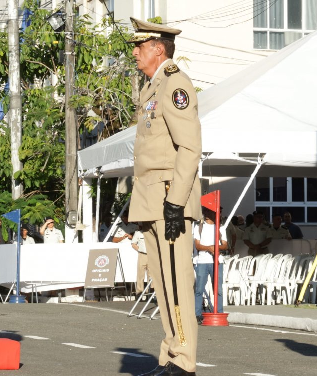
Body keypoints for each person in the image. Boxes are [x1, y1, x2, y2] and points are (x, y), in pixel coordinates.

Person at [127, 17, 202, 376]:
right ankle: (171, 353)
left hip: (169, 197)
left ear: (159, 49)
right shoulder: (151, 88)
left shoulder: (174, 84)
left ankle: (184, 359)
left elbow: (190, 147)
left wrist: (176, 202)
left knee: (176, 280)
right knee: (162, 281)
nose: (135, 53)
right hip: (151, 198)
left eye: (140, 47)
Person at [193, 207, 227, 324]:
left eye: (209, 211)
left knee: (218, 289)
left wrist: (215, 247)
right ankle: (197, 314)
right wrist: (209, 248)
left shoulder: (220, 227)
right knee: (199, 289)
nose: (207, 214)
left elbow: (225, 245)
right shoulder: (199, 226)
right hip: (202, 260)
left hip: (217, 261)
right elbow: (197, 245)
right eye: (206, 211)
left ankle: (219, 312)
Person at [132, 229, 149, 295]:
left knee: (151, 275)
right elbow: (133, 244)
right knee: (140, 274)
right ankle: (139, 292)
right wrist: (139, 250)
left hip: (151, 255)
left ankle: (150, 291)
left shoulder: (152, 232)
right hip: (142, 254)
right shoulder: (138, 233)